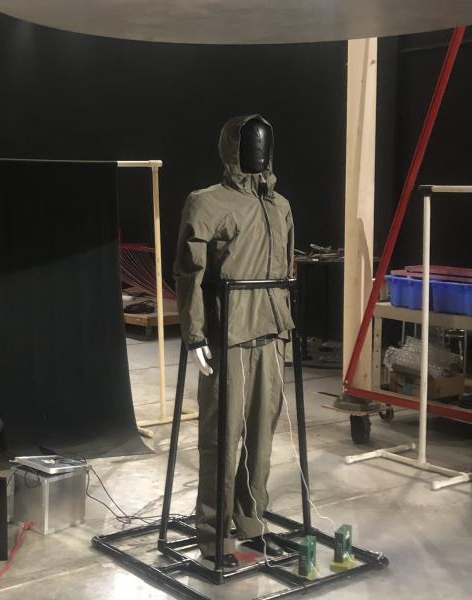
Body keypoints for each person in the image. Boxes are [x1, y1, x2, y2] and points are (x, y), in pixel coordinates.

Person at [174, 115, 295, 568]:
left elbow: (284, 269)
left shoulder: (280, 205)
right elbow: (189, 273)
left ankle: (251, 524)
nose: (258, 150)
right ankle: (214, 536)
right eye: (249, 142)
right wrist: (194, 334)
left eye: (264, 141)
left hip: (272, 333)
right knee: (222, 439)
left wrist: (284, 324)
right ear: (231, 147)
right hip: (229, 338)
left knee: (262, 438)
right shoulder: (206, 203)